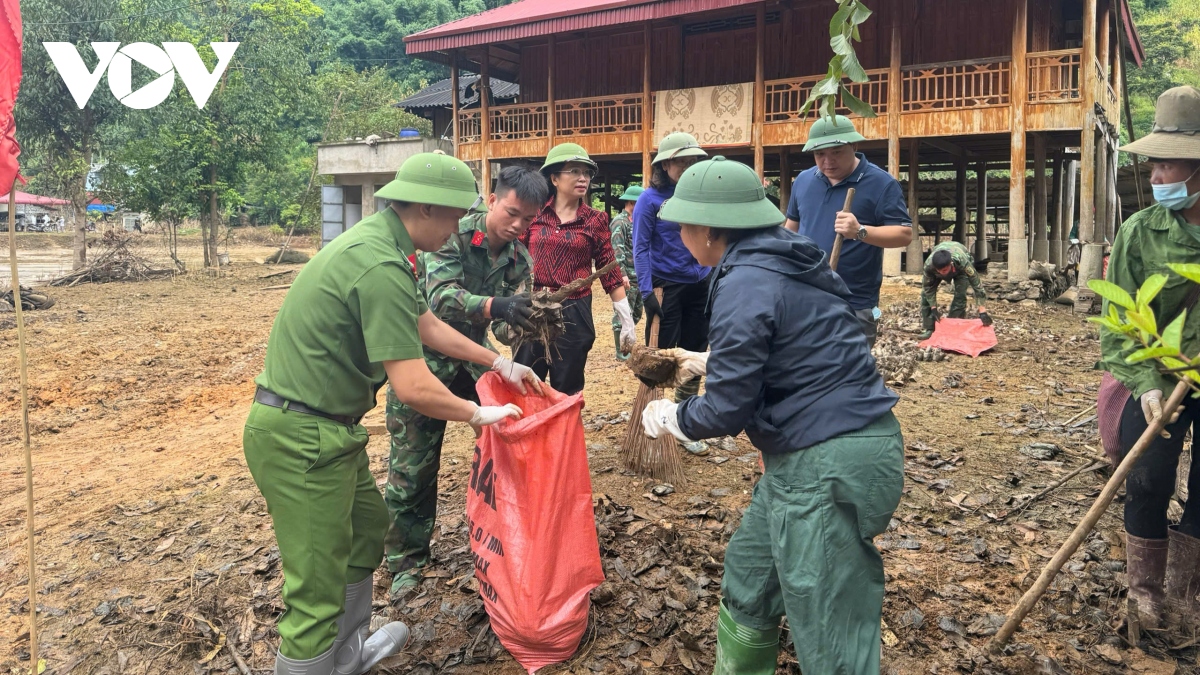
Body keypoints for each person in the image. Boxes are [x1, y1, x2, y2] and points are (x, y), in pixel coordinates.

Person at [243, 152, 543, 675]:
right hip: (301, 436)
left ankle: (348, 654)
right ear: (426, 209)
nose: (457, 228)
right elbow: (414, 386)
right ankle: (317, 659)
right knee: (316, 590)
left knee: (367, 529)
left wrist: (497, 361)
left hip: (331, 429)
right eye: (454, 216)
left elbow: (426, 324)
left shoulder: (390, 249)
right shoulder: (381, 263)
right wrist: (477, 413)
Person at [641, 156, 903, 675]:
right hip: (816, 451)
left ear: (709, 229)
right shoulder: (789, 254)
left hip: (825, 461)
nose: (679, 234)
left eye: (683, 225)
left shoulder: (743, 281)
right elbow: (793, 345)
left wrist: (674, 416)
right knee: (750, 578)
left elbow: (727, 408)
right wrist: (709, 360)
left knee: (829, 631)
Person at [383, 166, 546, 599]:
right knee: (413, 468)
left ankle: (505, 539)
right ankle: (405, 564)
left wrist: (531, 322)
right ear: (493, 200)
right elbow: (439, 300)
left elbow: (508, 329)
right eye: (512, 212)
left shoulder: (519, 260)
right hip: (424, 363)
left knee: (506, 451)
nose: (518, 225)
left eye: (529, 219)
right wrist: (498, 306)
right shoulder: (451, 232)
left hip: (475, 365)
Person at [1100, 85, 1200, 629]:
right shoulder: (1140, 233)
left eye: (1169, 167)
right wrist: (1146, 382)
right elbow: (1119, 326)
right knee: (1147, 479)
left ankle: (1186, 596)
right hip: (1157, 376)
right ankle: (1144, 592)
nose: (1157, 177)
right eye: (1155, 165)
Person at [784, 115, 913, 346]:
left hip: (855, 301)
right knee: (806, 367)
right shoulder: (803, 181)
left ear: (854, 146)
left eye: (836, 152)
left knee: (852, 370)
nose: (827, 161)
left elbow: (903, 234)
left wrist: (860, 231)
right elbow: (790, 230)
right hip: (807, 293)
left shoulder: (881, 183)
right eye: (819, 154)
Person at [517, 142, 635, 394]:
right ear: (555, 178)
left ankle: (565, 432)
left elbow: (609, 269)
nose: (583, 178)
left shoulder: (596, 220)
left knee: (568, 385)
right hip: (533, 307)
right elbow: (513, 255)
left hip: (574, 310)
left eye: (587, 173)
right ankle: (530, 433)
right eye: (574, 171)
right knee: (526, 383)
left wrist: (626, 320)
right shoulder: (534, 214)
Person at [633, 132, 712, 453]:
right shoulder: (649, 201)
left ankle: (684, 420)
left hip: (701, 283)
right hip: (668, 288)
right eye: (683, 161)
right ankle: (653, 418)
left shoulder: (698, 197)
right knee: (662, 356)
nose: (689, 165)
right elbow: (639, 248)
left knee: (694, 353)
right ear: (665, 165)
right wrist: (647, 292)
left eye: (693, 160)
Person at [919, 240, 990, 339]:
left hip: (959, 270)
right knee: (924, 296)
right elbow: (928, 288)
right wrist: (933, 308)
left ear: (950, 264)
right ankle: (930, 329)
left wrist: (982, 310)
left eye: (944, 270)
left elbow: (977, 284)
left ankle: (954, 325)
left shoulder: (962, 261)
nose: (942, 273)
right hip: (939, 263)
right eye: (938, 270)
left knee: (960, 296)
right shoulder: (929, 266)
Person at [610, 184, 643, 360]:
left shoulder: (636, 222)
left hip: (638, 276)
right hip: (627, 275)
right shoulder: (619, 222)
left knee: (637, 312)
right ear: (631, 202)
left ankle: (627, 342)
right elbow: (617, 252)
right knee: (622, 313)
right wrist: (621, 274)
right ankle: (621, 351)